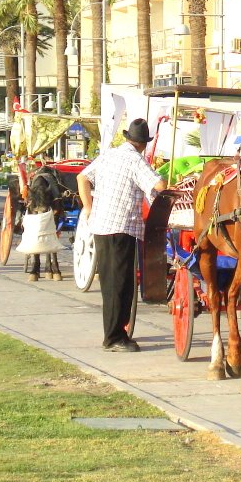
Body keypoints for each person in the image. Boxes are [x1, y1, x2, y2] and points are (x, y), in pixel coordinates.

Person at [77, 118, 166, 353]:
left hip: (101, 225)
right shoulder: (135, 160)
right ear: (143, 144)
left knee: (110, 282)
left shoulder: (109, 155)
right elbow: (159, 185)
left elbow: (82, 178)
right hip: (121, 227)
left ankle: (115, 331)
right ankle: (114, 337)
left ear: (128, 138)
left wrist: (88, 206)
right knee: (121, 284)